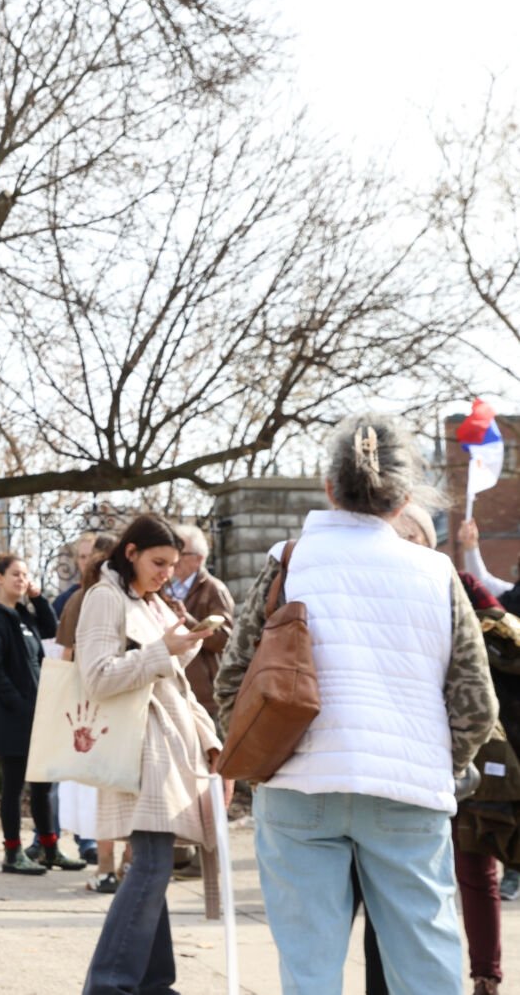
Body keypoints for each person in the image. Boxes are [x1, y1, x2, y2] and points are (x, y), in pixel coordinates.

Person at [214, 414, 498, 995]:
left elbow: (232, 681)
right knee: (425, 968)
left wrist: (261, 759)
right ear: (404, 499)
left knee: (309, 970)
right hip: (406, 789)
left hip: (298, 784)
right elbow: (476, 702)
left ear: (329, 488)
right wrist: (443, 762)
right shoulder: (436, 573)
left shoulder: (288, 563)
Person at [353, 502, 515, 995]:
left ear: (427, 542)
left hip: (462, 753)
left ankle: (486, 974)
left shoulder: (457, 585)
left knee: (473, 866)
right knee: (387, 885)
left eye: (407, 538)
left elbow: (504, 638)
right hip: (396, 758)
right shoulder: (371, 590)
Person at [76, 515, 219, 994]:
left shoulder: (153, 603)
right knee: (153, 863)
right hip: (140, 747)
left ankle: (154, 982)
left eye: (172, 565)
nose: (166, 573)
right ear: (131, 552)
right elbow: (96, 677)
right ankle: (110, 983)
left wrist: (211, 740)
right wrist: (162, 650)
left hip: (168, 747)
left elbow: (177, 686)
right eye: (158, 562)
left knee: (153, 864)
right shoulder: (106, 597)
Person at [0, 554, 85, 874]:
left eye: (25, 575)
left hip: (37, 713)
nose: (22, 580)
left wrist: (37, 598)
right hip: (11, 716)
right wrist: (18, 703)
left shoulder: (22, 615)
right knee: (14, 784)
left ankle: (49, 848)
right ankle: (12, 853)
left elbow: (51, 629)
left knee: (43, 783)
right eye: (15, 574)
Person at [56, 535, 122, 893]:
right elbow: (67, 654)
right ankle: (112, 862)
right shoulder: (84, 598)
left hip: (101, 702)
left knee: (108, 785)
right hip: (100, 704)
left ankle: (112, 863)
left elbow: (66, 657)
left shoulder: (87, 597)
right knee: (109, 785)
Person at [463, 516, 520, 903]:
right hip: (511, 712)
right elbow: (483, 584)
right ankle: (513, 869)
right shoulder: (512, 601)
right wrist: (470, 548)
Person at [164, 523, 234, 730]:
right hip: (170, 688)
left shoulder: (214, 589)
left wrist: (187, 620)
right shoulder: (162, 586)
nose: (175, 558)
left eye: (182, 553)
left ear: (199, 558)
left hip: (204, 695)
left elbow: (225, 640)